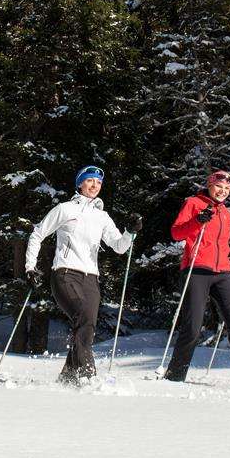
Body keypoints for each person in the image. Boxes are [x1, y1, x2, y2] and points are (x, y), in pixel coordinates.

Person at [24, 165, 138, 385]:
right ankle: (87, 375)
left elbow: (119, 247)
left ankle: (67, 377)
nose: (94, 186)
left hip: (91, 279)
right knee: (84, 317)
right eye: (90, 181)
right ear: (80, 183)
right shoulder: (65, 209)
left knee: (86, 324)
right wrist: (30, 266)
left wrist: (130, 232)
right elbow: (37, 234)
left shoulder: (102, 217)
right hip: (65, 274)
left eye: (98, 183)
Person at [163, 169, 230, 383]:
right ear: (210, 185)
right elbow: (176, 232)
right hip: (196, 270)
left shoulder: (225, 212)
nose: (222, 191)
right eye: (219, 187)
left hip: (223, 272)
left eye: (226, 189)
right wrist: (197, 220)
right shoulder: (194, 203)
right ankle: (175, 376)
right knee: (193, 327)